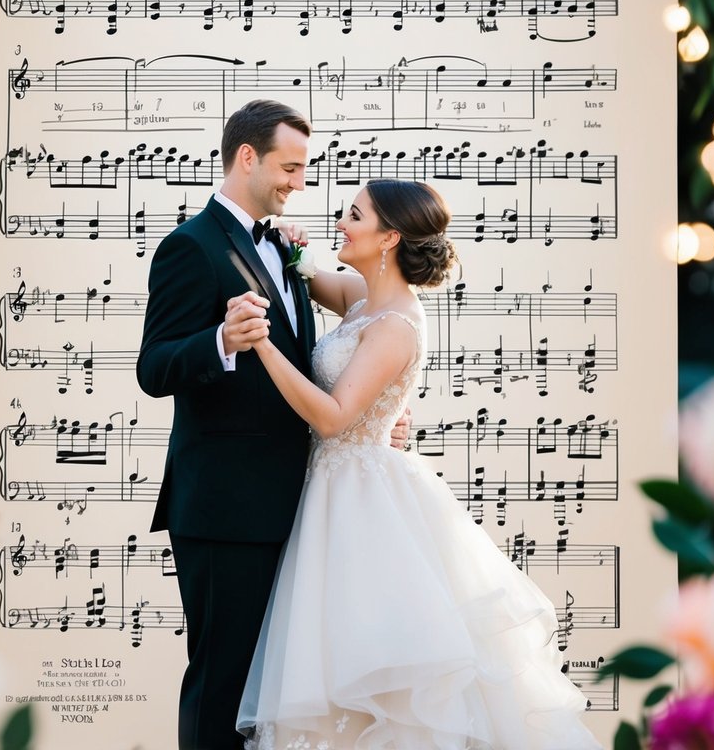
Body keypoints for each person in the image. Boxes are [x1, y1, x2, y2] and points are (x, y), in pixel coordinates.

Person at [236, 179, 603, 750]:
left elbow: (334, 418)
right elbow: (310, 277)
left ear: (388, 237)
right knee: (332, 662)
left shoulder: (396, 324)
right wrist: (290, 245)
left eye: (352, 215)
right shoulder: (365, 298)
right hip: (334, 492)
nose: (340, 221)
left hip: (363, 505)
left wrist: (260, 345)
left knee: (377, 673)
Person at [137, 101, 409, 750]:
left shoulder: (284, 249)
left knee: (269, 696)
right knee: (223, 686)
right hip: (225, 511)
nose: (299, 182)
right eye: (290, 167)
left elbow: (312, 364)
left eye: (304, 169)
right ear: (247, 158)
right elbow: (154, 367)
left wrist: (373, 418)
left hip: (294, 505)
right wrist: (220, 341)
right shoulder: (190, 247)